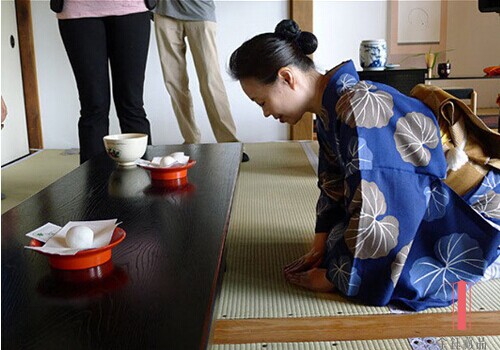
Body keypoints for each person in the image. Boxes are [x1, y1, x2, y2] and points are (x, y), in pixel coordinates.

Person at [229, 19, 500, 311]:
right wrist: (319, 246)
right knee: (337, 248)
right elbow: (333, 186)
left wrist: (335, 278)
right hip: (423, 200)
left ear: (286, 77)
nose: (266, 113)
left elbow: (388, 196)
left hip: (469, 209)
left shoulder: (357, 105)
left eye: (261, 102)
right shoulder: (332, 108)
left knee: (370, 269)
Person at [54, 0, 153, 164]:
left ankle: (145, 182)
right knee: (93, 106)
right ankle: (94, 186)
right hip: (77, 12)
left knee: (132, 105)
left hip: (131, 9)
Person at [153, 0, 249, 162]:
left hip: (200, 10)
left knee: (211, 80)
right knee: (174, 82)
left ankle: (229, 141)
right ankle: (190, 140)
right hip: (164, 11)